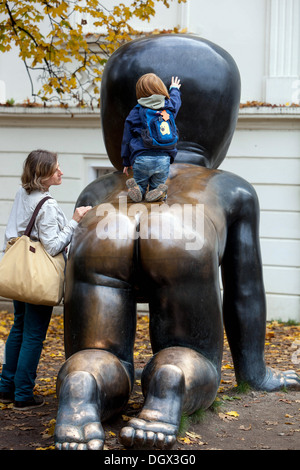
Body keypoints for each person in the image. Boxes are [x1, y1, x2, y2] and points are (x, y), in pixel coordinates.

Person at [0, 150, 91, 411]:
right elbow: (52, 246)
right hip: (38, 273)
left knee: (18, 327)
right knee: (33, 335)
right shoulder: (47, 205)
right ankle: (23, 394)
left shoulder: (22, 193)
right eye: (55, 170)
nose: (60, 172)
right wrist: (74, 222)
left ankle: (6, 387)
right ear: (42, 175)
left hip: (20, 269)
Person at [122, 73, 181, 202]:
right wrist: (175, 89)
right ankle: (158, 192)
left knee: (141, 184)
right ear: (161, 89)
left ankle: (138, 189)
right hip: (163, 159)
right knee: (156, 188)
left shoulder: (137, 110)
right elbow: (176, 102)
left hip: (142, 157)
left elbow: (127, 136)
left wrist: (126, 161)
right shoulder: (168, 106)